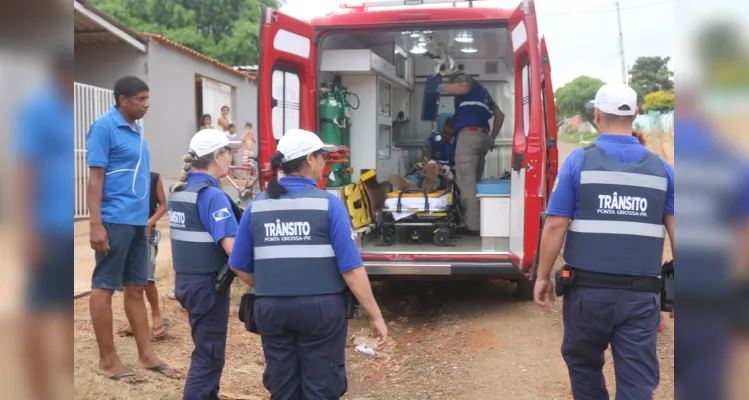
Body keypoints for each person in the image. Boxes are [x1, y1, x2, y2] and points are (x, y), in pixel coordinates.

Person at [533, 83, 675, 400]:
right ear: (636, 113)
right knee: (637, 380)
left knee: (584, 367)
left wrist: (542, 277)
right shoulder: (663, 171)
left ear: (597, 114)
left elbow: (556, 224)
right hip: (641, 298)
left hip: (586, 295)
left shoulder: (577, 163)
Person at [228, 128, 389, 399]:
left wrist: (273, 284)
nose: (325, 164)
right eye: (323, 157)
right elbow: (350, 270)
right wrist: (376, 315)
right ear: (310, 159)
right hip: (321, 311)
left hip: (271, 310)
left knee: (283, 385)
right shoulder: (329, 205)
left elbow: (238, 264)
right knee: (321, 386)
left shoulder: (258, 204)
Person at [87, 76, 180, 382]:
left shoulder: (136, 129)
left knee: (137, 287)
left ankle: (146, 355)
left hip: (138, 221)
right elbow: (96, 178)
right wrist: (96, 224)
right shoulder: (104, 127)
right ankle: (108, 361)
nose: (147, 104)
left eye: (147, 98)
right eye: (141, 99)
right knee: (104, 287)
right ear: (123, 100)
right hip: (114, 220)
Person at [168, 129, 243, 399]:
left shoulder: (182, 190)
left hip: (188, 283)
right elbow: (231, 248)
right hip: (207, 286)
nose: (231, 158)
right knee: (208, 356)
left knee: (207, 351)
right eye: (228, 152)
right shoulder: (212, 196)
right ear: (216, 156)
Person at [17, 51, 75, 400]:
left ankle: (63, 379)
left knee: (64, 306)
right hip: (47, 228)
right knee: (37, 309)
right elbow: (26, 169)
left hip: (67, 228)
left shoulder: (68, 112)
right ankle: (37, 389)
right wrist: (27, 229)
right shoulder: (39, 109)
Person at [439, 72, 505, 235]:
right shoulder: (484, 94)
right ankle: (478, 220)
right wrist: (492, 138)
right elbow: (500, 115)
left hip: (469, 136)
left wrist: (437, 86)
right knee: (474, 182)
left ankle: (472, 226)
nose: (451, 89)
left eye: (451, 85)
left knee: (466, 183)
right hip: (482, 136)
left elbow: (463, 87)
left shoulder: (468, 83)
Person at [117, 172, 169, 340]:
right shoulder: (120, 177)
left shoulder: (154, 178)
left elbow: (163, 205)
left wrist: (150, 222)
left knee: (147, 278)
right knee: (129, 280)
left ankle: (156, 315)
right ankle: (134, 321)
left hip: (145, 234)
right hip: (124, 232)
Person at [389, 117, 456, 193]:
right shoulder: (433, 140)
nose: (445, 135)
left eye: (449, 134)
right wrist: (424, 165)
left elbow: (459, 167)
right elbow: (424, 159)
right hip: (427, 169)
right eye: (444, 131)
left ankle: (426, 186)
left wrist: (448, 170)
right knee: (416, 176)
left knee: (436, 180)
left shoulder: (458, 145)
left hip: (441, 174)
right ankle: (409, 185)